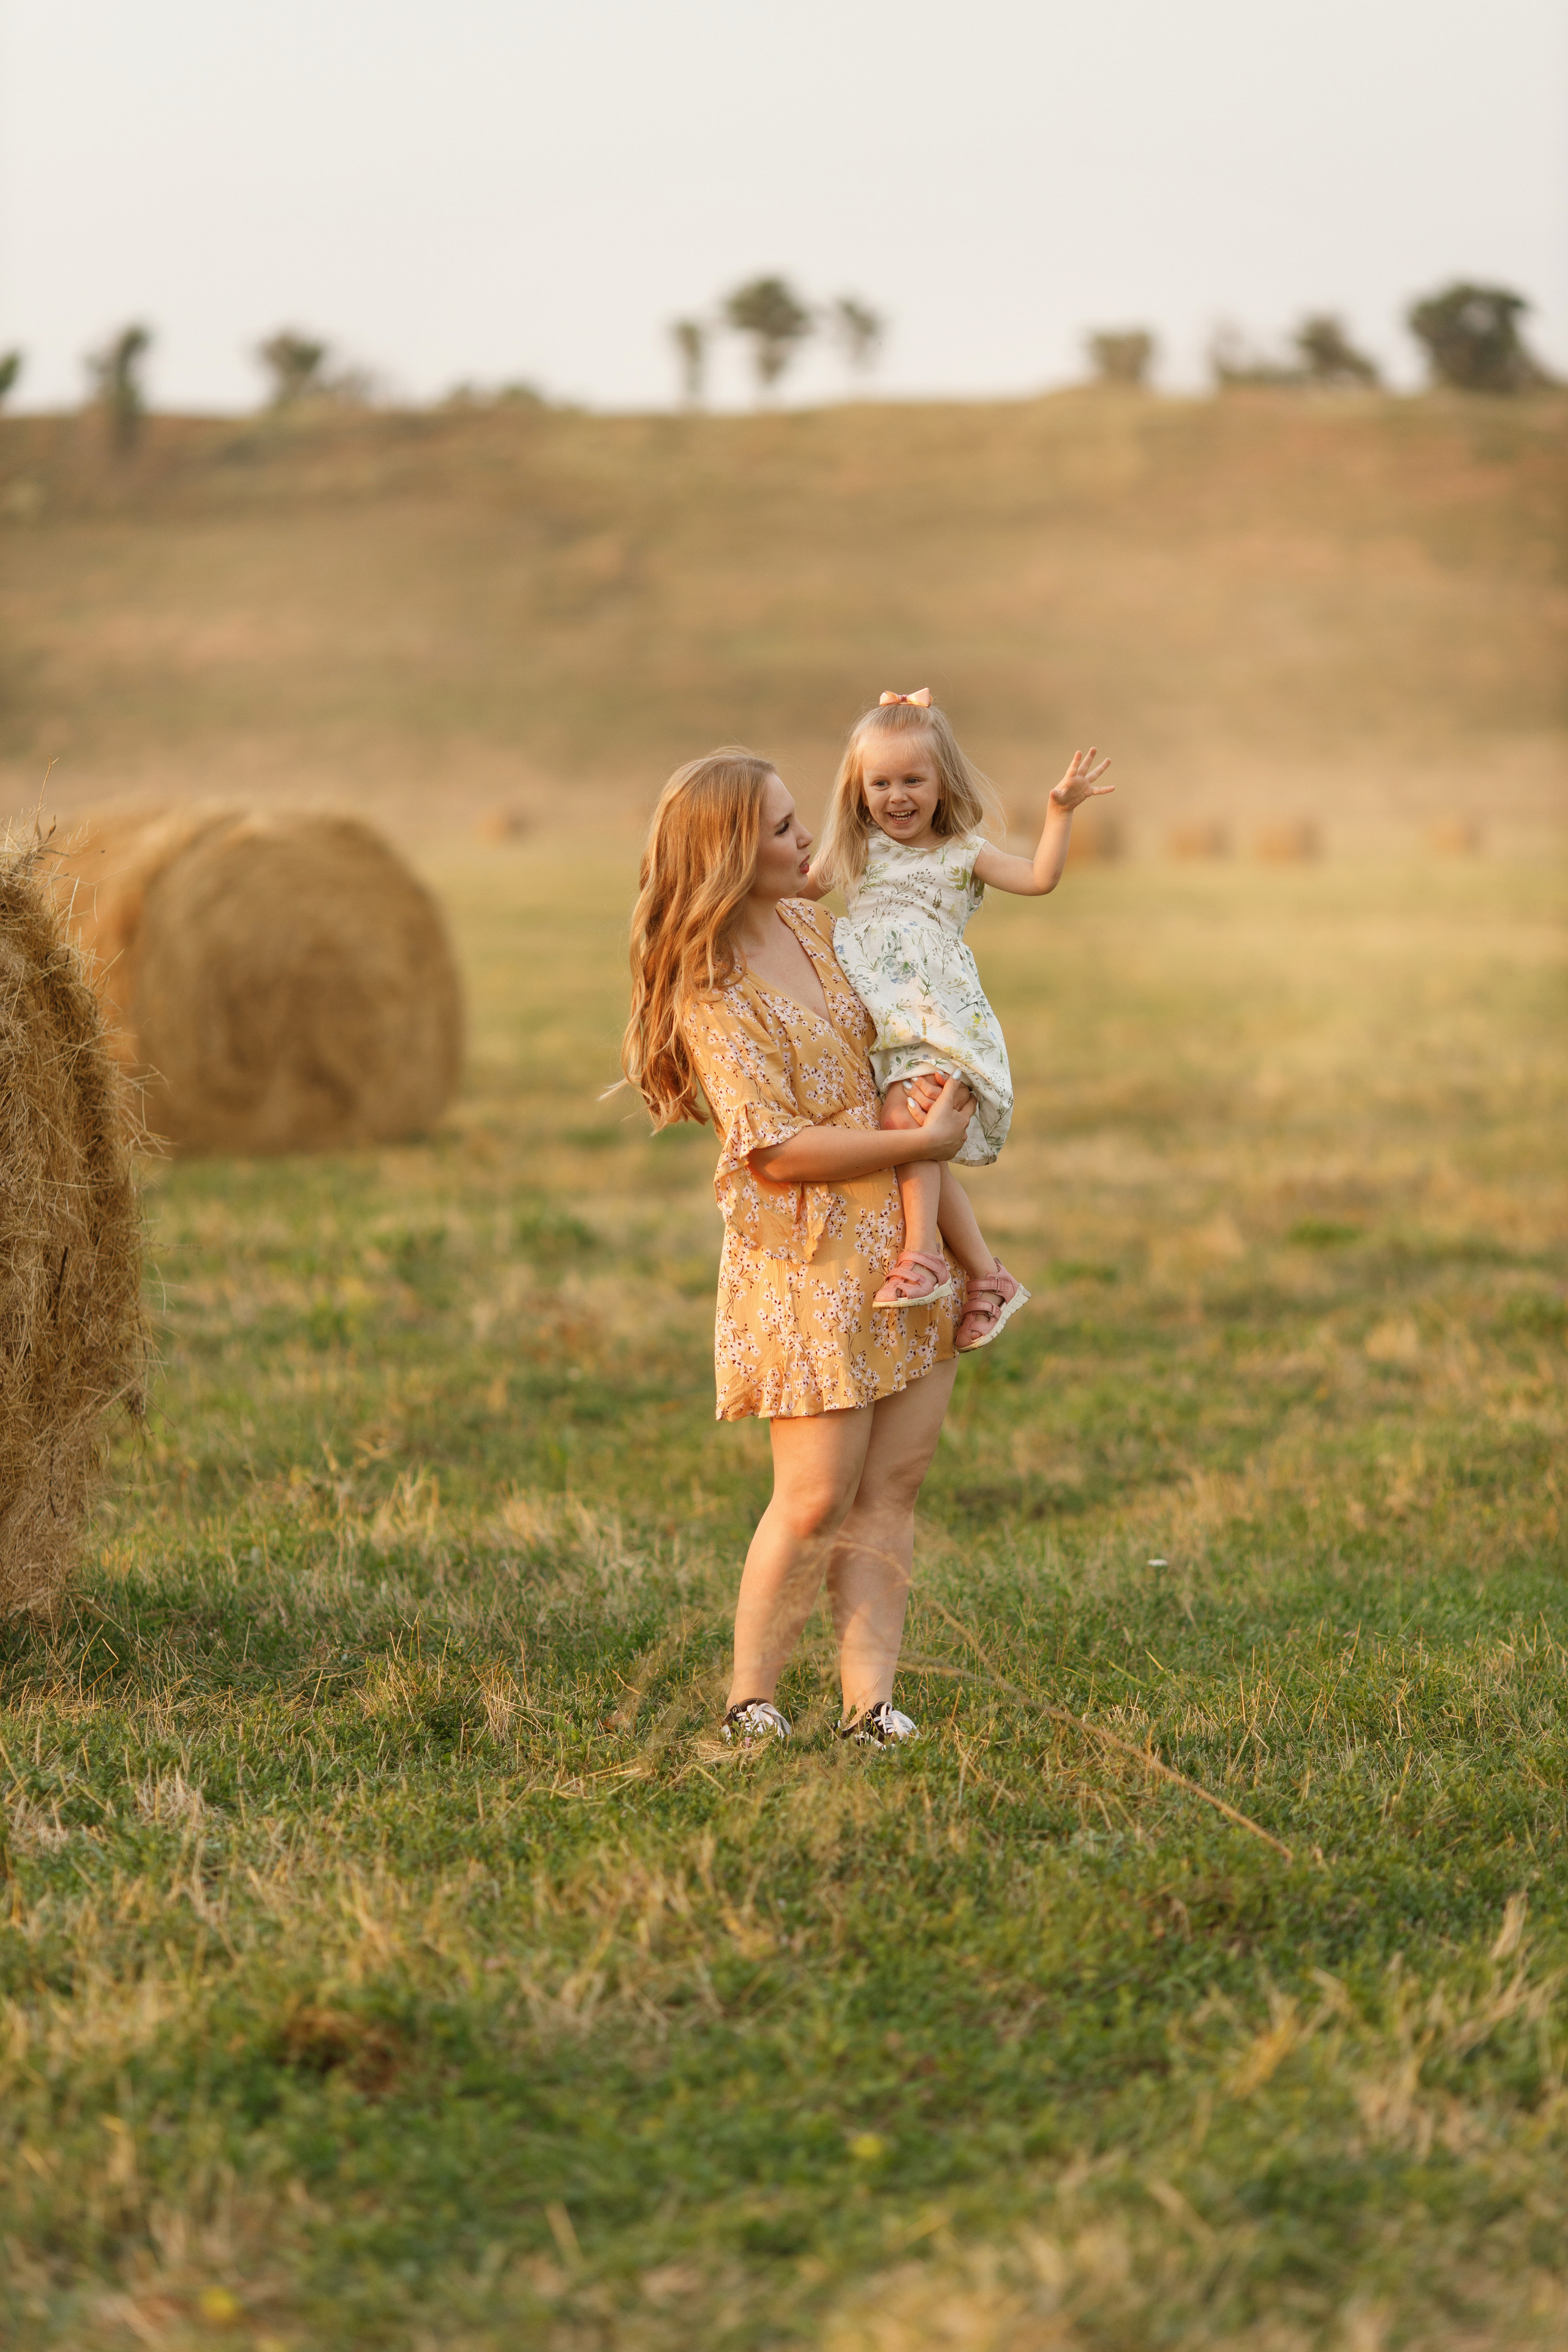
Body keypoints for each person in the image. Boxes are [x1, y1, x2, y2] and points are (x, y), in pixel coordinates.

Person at [619, 748, 979, 1749]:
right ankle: (752, 1702)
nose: (807, 837)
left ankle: (871, 1708)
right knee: (816, 1499)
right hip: (807, 1265)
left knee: (892, 1491)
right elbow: (774, 1150)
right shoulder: (710, 989)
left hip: (902, 1247)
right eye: (783, 828)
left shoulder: (814, 929)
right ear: (732, 853)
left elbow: (890, 1032)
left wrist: (910, 741)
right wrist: (919, 1143)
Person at [804, 689, 1112, 1351]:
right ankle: (987, 1276)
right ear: (858, 791)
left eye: (913, 780)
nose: (897, 796)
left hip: (939, 1018)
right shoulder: (853, 851)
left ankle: (922, 1259)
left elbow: (1038, 878)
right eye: (880, 783)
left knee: (903, 1126)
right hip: (881, 1028)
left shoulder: (961, 853)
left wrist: (1059, 813)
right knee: (913, 1137)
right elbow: (785, 894)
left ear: (943, 783)